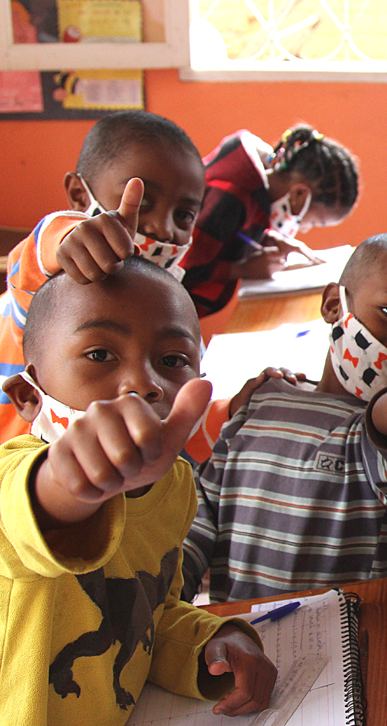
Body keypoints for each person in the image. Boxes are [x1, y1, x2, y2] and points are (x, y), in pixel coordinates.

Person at [0, 257, 276, 724]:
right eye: (99, 355)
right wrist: (72, 483)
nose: (143, 384)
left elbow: (148, 614)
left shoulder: (175, 486)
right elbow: (34, 509)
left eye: (172, 360)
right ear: (30, 396)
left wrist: (209, 642)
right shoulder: (17, 478)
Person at [182, 234, 387, 601]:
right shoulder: (261, 401)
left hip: (357, 636)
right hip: (237, 630)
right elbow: (203, 510)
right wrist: (167, 589)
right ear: (333, 304)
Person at [0, 111, 207, 443]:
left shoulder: (169, 303)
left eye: (183, 214)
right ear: (79, 195)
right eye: (143, 202)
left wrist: (232, 411)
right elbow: (33, 259)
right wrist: (72, 236)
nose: (163, 228)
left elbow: (180, 405)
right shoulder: (56, 282)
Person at [181, 125, 360, 317]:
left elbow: (227, 230)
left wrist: (267, 237)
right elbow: (182, 267)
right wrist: (242, 269)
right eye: (313, 222)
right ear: (299, 194)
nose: (305, 229)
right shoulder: (231, 196)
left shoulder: (256, 189)